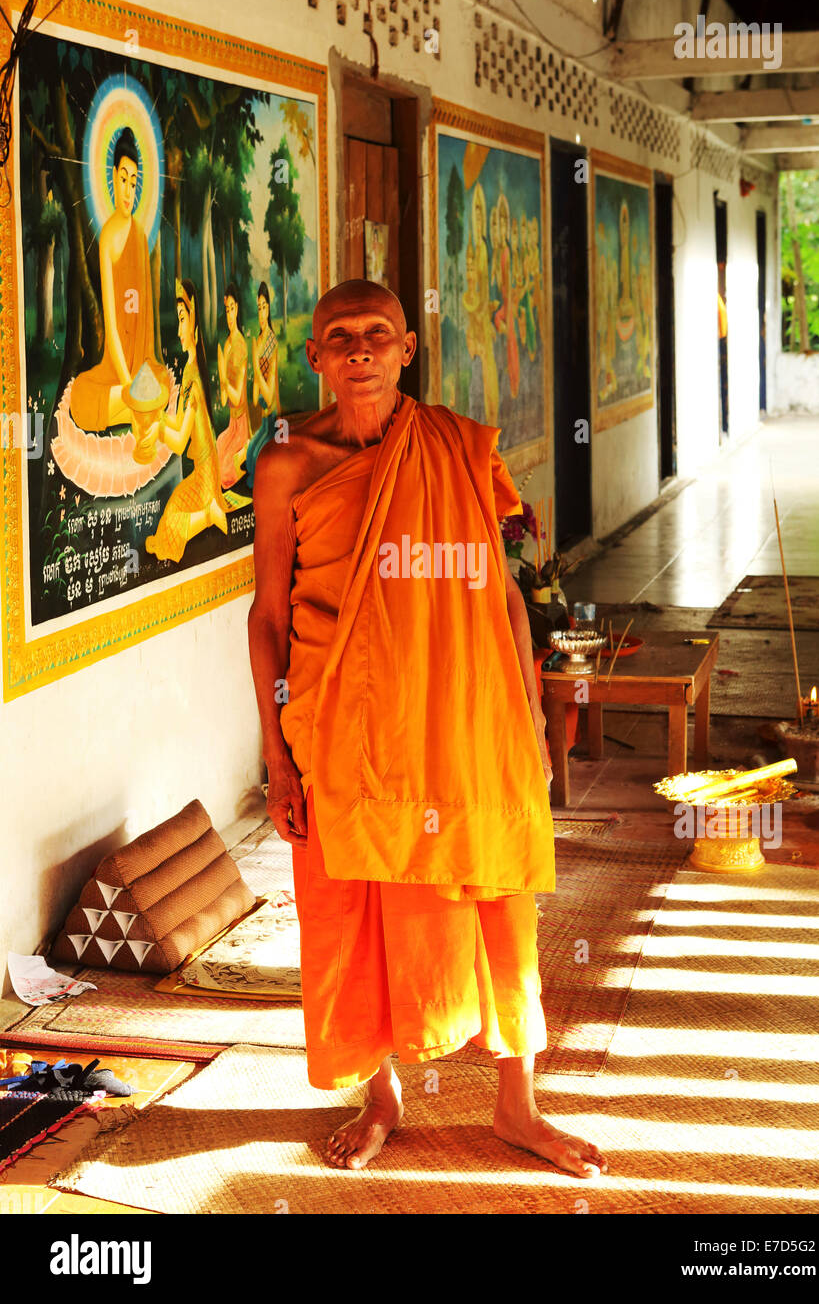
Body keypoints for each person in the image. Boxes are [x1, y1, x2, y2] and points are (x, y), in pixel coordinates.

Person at [247, 278, 609, 1179]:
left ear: (409, 348)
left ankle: (518, 1107)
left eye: (378, 333)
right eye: (340, 337)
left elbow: (499, 589)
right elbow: (265, 614)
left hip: (464, 715)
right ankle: (380, 1096)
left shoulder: (451, 444)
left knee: (496, 895)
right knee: (349, 909)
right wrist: (275, 755)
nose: (360, 349)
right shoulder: (288, 463)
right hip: (341, 721)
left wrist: (528, 712)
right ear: (316, 358)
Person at [70, 126, 168, 432]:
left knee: (160, 378)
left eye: (134, 182)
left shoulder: (139, 234)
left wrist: (142, 373)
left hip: (141, 362)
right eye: (123, 179)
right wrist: (129, 386)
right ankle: (135, 407)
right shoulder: (108, 236)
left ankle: (134, 406)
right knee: (79, 397)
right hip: (116, 367)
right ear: (113, 177)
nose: (128, 191)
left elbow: (146, 316)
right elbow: (111, 324)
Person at [145, 278, 228, 562]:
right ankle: (207, 510)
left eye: (182, 319)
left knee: (170, 526)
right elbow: (180, 422)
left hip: (205, 476)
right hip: (204, 470)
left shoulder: (193, 377)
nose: (179, 330)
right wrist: (158, 418)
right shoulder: (191, 371)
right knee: (168, 518)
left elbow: (180, 442)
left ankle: (208, 513)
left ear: (194, 325)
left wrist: (158, 430)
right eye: (178, 320)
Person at [243, 282, 280, 487]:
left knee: (256, 463)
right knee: (250, 458)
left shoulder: (271, 343)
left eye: (264, 306)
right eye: (259, 307)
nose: (261, 312)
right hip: (263, 419)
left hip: (273, 421)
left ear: (270, 308)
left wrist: (256, 363)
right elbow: (257, 395)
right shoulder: (258, 339)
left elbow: (269, 397)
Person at [216, 282, 251, 489]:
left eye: (232, 308)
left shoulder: (239, 345)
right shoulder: (227, 343)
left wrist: (222, 376)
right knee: (218, 445)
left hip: (241, 425)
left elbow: (237, 397)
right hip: (231, 423)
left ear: (237, 308)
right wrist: (222, 379)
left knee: (226, 464)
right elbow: (223, 399)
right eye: (226, 309)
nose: (229, 314)